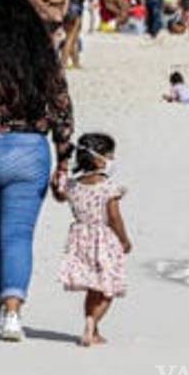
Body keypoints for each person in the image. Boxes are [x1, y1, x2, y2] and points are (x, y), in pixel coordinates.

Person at [0, 0, 74, 341]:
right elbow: (62, 109)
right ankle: (12, 311)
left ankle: (1, 300)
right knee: (18, 234)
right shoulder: (42, 56)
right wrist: (63, 162)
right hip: (28, 152)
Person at [51, 133, 131, 347]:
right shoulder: (107, 186)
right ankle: (91, 322)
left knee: (92, 286)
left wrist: (59, 172)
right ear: (99, 159)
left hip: (79, 238)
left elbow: (59, 195)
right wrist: (124, 239)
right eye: (109, 155)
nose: (112, 159)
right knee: (107, 287)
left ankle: (92, 329)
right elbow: (114, 216)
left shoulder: (74, 185)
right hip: (104, 238)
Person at [62, 0, 88, 69]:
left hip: (67, 9)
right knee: (72, 37)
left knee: (71, 37)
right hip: (75, 8)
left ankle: (75, 61)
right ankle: (65, 61)